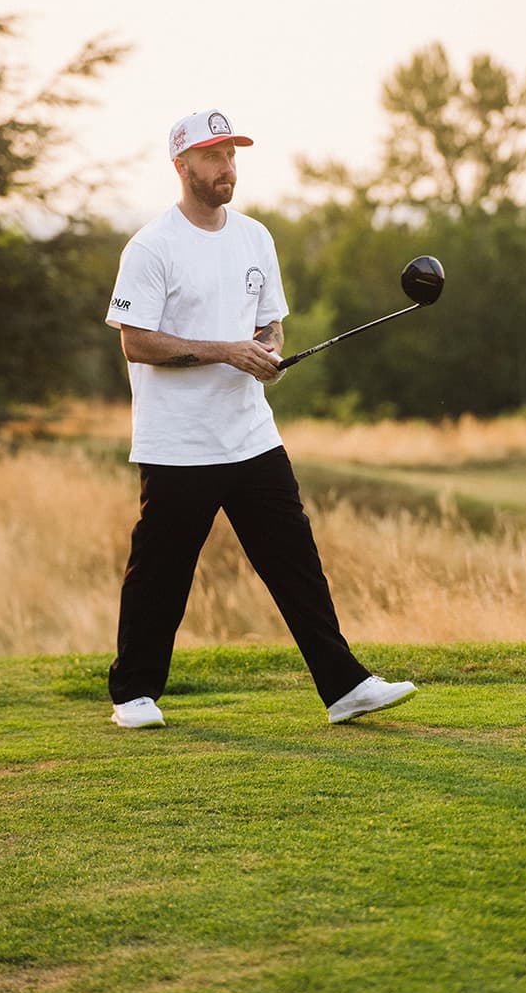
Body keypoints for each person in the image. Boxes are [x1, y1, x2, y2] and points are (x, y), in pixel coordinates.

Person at [105, 108, 417, 728]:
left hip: (250, 435)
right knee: (162, 573)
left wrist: (266, 349)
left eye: (233, 156)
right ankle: (134, 695)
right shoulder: (151, 247)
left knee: (295, 563)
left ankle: (344, 687)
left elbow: (271, 322)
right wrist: (226, 351)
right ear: (182, 165)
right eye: (215, 156)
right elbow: (135, 342)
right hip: (180, 444)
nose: (228, 167)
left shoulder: (255, 237)